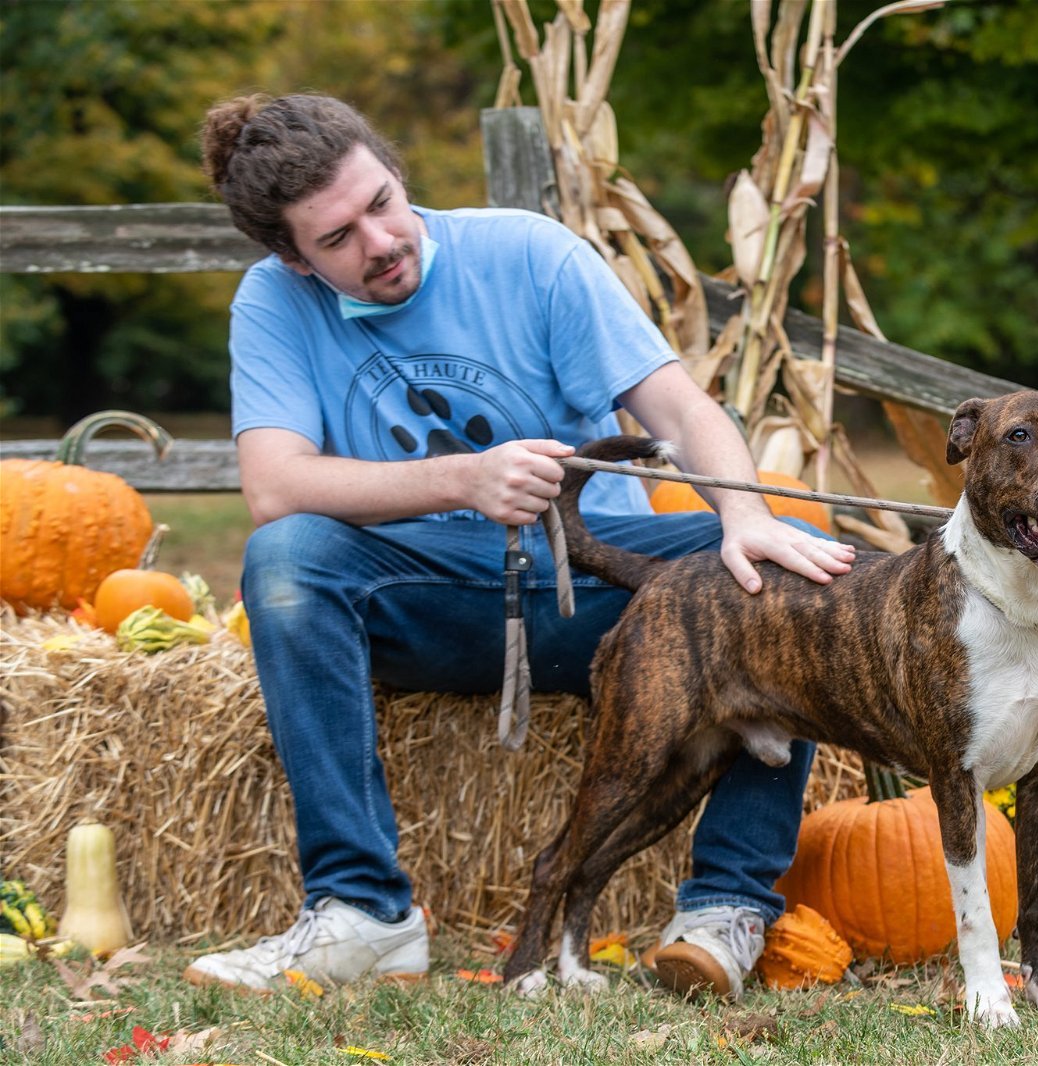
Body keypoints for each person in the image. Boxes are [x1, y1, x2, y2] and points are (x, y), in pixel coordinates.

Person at [183, 92, 854, 1000]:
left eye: (380, 202)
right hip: (421, 600)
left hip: (596, 589)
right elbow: (273, 485)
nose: (379, 242)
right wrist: (464, 478)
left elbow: (683, 410)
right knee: (289, 557)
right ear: (292, 258)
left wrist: (744, 517)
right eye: (336, 239)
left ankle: (723, 909)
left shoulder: (529, 253)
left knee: (786, 564)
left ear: (397, 171)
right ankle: (361, 912)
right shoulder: (269, 304)